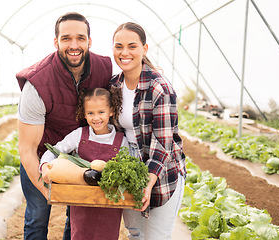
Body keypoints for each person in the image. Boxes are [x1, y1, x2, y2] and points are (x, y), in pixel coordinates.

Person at [15, 12, 112, 240]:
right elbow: (27, 149)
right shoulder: (37, 82)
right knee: (37, 219)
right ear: (56, 42)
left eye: (80, 38)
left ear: (89, 41)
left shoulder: (105, 69)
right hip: (40, 159)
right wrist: (45, 189)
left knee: (76, 221)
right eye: (66, 38)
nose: (74, 45)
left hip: (82, 160)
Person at [110, 22, 187, 240]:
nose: (124, 53)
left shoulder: (159, 88)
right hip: (130, 169)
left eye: (132, 46)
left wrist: (148, 180)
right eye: (119, 46)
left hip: (162, 171)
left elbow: (163, 142)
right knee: (135, 234)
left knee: (156, 236)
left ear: (144, 49)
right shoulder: (113, 85)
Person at [40, 87, 129, 240]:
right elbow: (55, 150)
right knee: (80, 235)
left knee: (107, 235)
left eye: (101, 112)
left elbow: (128, 167)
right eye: (90, 113)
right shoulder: (79, 135)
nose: (96, 118)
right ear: (84, 114)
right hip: (81, 201)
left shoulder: (121, 141)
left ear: (112, 111)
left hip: (109, 203)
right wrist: (45, 165)